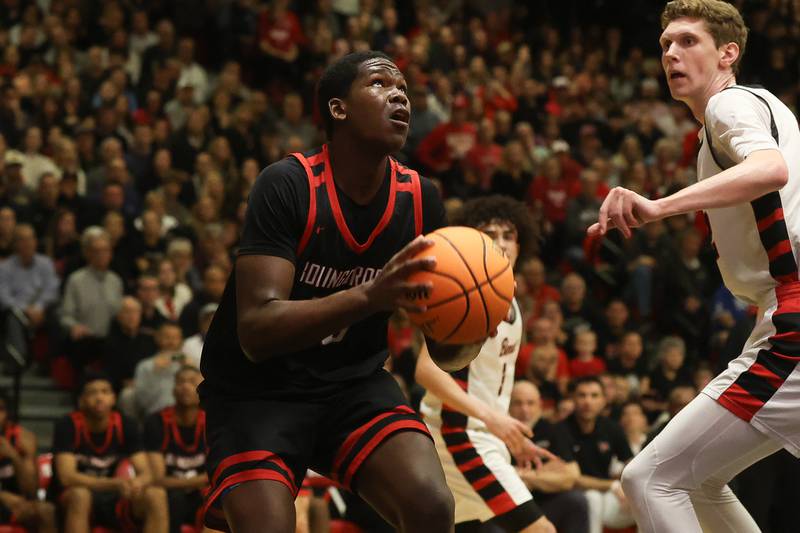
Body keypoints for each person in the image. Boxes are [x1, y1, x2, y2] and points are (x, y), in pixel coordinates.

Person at [199, 51, 481, 533]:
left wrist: (472, 320)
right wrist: (372, 295)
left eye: (405, 90)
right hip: (257, 390)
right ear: (338, 108)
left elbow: (448, 357)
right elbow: (256, 331)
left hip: (353, 385)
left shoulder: (421, 199)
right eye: (379, 83)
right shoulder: (288, 184)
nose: (399, 95)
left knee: (431, 506)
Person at [591, 5, 800, 526]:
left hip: (793, 319)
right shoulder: (755, 109)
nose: (670, 54)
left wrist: (659, 206)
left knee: (649, 479)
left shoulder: (728, 107)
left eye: (687, 41)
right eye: (665, 44)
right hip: (778, 311)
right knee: (699, 482)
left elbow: (769, 170)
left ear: (728, 53)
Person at [417, 195, 556, 533]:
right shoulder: (468, 297)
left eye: (508, 234)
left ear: (521, 245)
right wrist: (494, 420)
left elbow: (490, 383)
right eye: (490, 234)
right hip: (459, 434)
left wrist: (509, 432)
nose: (501, 242)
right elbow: (426, 369)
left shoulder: (511, 300)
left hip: (482, 434)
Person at [51, 371, 168, 532]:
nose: (99, 397)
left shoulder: (126, 424)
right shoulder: (67, 425)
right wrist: (114, 484)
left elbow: (147, 472)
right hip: (71, 498)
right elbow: (66, 477)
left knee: (156, 494)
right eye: (92, 393)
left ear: (113, 398)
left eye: (105, 392)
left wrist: (135, 484)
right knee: (81, 495)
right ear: (82, 400)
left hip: (112, 497)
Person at [509, 381, 588, 533]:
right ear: (508, 405)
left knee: (577, 500)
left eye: (530, 403)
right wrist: (545, 472)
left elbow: (571, 476)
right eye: (518, 403)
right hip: (510, 505)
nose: (524, 409)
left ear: (540, 405)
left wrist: (523, 474)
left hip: (544, 501)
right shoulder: (498, 432)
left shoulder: (554, 431)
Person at [144, 366, 210, 533]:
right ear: (173, 390)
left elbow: (216, 475)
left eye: (191, 381)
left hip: (201, 494)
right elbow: (157, 478)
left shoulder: (212, 420)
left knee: (220, 496)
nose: (185, 386)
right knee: (162, 496)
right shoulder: (156, 422)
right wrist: (195, 482)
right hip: (168, 495)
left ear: (202, 387)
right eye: (180, 382)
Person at [565, 377, 635, 533]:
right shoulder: (561, 430)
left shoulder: (612, 428)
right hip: (575, 495)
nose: (587, 402)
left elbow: (632, 465)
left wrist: (632, 489)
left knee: (645, 500)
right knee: (592, 498)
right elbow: (573, 479)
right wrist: (613, 485)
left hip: (608, 495)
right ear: (573, 399)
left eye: (594, 396)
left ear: (604, 400)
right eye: (582, 395)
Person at [0, 391, 56, 532]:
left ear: (8, 414)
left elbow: (31, 491)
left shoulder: (23, 439)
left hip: (13, 504)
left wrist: (14, 456)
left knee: (46, 511)